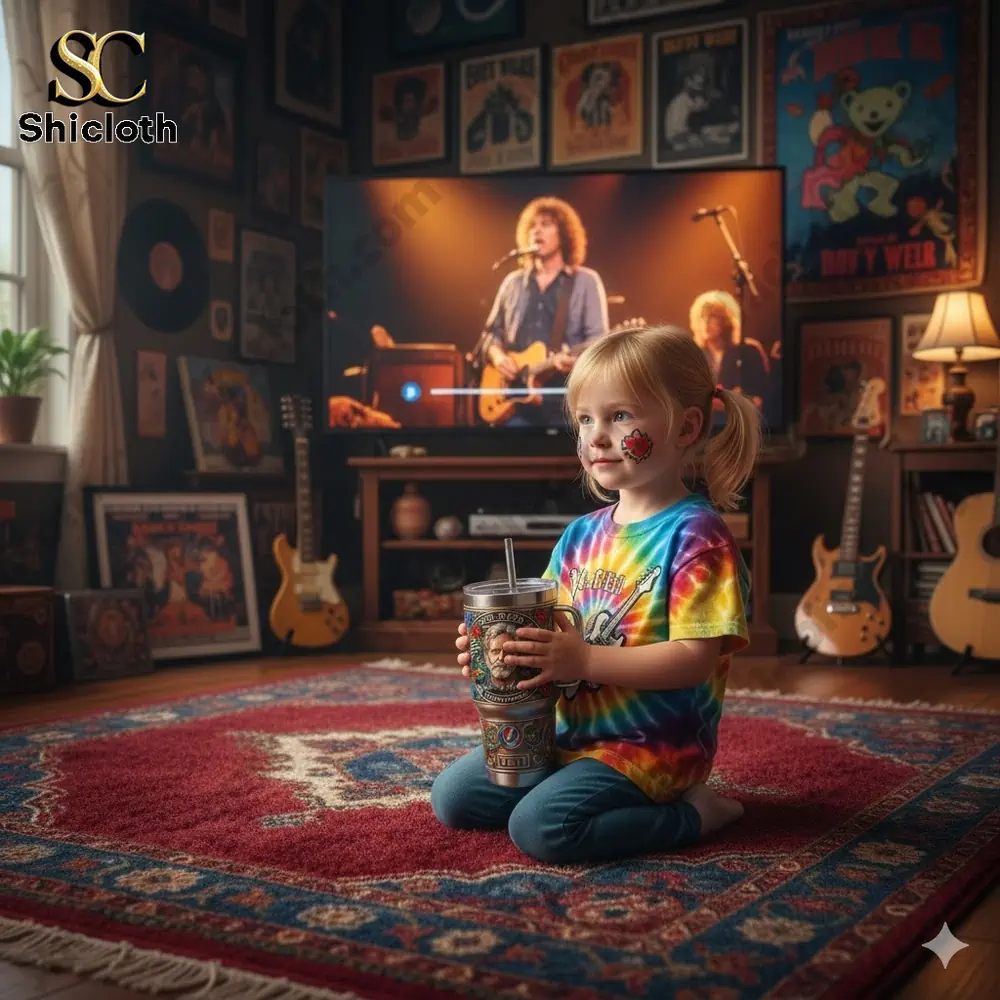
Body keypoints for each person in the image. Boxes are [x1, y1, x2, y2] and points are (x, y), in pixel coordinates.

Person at [431, 324, 763, 864]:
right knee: (453, 799)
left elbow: (693, 661)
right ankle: (567, 787)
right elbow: (547, 633)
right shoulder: (580, 535)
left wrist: (583, 657)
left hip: (649, 748)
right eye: (585, 420)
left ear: (687, 427)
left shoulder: (697, 536)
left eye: (620, 416)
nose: (596, 437)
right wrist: (499, 651)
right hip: (565, 735)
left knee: (539, 829)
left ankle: (695, 812)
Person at [479, 196, 609, 428]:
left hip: (565, 402)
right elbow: (490, 335)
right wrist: (499, 358)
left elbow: (599, 343)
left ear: (564, 234)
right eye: (532, 225)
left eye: (546, 224)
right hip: (515, 401)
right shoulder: (513, 283)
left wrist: (573, 360)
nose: (536, 230)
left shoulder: (585, 281)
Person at [689, 290, 770, 411]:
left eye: (712, 316)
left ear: (727, 320)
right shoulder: (692, 354)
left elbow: (762, 397)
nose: (705, 322)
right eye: (702, 316)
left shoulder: (749, 351)